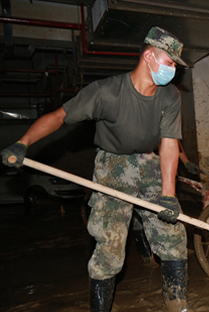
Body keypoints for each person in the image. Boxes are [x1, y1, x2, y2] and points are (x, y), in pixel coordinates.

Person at [1, 27, 196, 312]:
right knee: (111, 246)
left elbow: (168, 144)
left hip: (150, 162)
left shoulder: (169, 97)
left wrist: (169, 194)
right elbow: (59, 117)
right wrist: (22, 143)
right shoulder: (107, 92)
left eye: (176, 67)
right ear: (149, 56)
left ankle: (177, 305)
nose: (173, 71)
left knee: (173, 237)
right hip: (113, 166)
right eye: (170, 63)